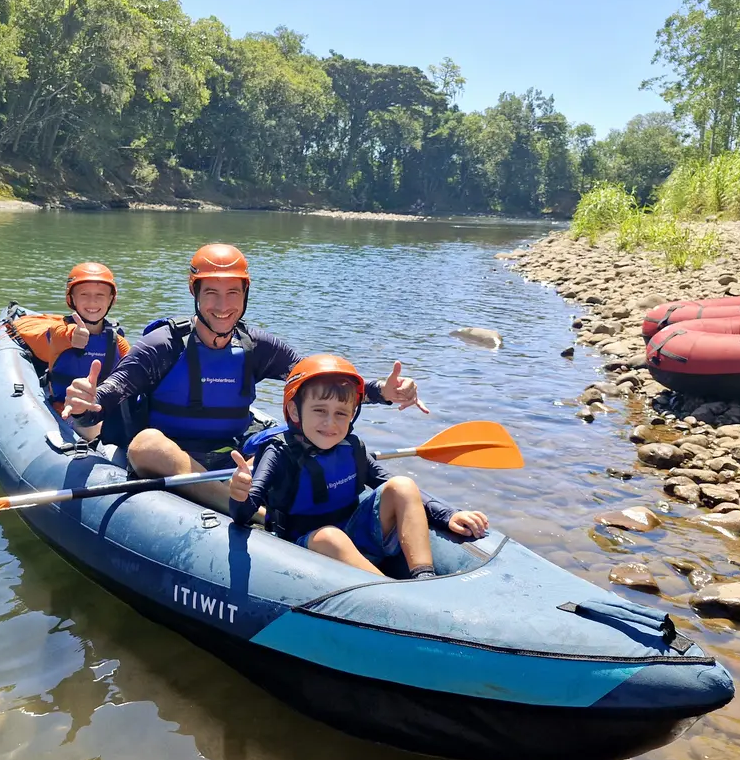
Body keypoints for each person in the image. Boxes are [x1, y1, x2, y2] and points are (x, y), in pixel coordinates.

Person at [61, 244, 427, 508]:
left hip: (234, 456)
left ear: (245, 294)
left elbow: (319, 384)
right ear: (196, 294)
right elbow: (109, 394)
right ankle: (251, 512)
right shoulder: (164, 344)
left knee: (308, 427)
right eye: (212, 294)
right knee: (146, 444)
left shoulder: (257, 346)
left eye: (233, 293)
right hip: (171, 459)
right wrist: (87, 405)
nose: (223, 307)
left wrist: (380, 390)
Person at [226, 354, 489, 577]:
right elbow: (242, 514)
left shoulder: (351, 446)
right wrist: (240, 494)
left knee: (403, 485)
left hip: (354, 529)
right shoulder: (278, 452)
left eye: (341, 413)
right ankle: (391, 592)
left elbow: (390, 486)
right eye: (319, 411)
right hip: (305, 544)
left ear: (352, 415)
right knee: (331, 537)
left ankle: (423, 575)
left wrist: (447, 514)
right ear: (295, 412)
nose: (331, 423)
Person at [7, 262, 129, 442]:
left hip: (102, 411)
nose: (92, 302)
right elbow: (61, 334)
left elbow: (134, 367)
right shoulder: (60, 331)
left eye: (100, 295)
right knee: (95, 429)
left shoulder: (118, 341)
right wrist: (74, 335)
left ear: (111, 299)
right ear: (71, 298)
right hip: (64, 413)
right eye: (84, 294)